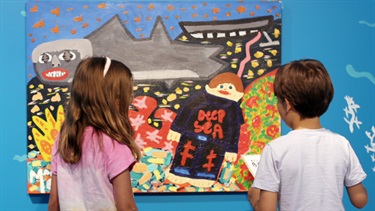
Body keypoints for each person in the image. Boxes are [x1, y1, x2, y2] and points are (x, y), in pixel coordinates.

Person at [248, 59, 368, 210]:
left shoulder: (275, 149)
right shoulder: (341, 143)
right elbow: (360, 200)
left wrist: (254, 199)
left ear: (287, 104)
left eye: (278, 101)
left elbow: (268, 209)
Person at [48, 57, 141, 211]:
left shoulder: (64, 139)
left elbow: (53, 202)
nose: (131, 97)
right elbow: (127, 207)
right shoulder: (114, 143)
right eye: (127, 92)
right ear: (111, 98)